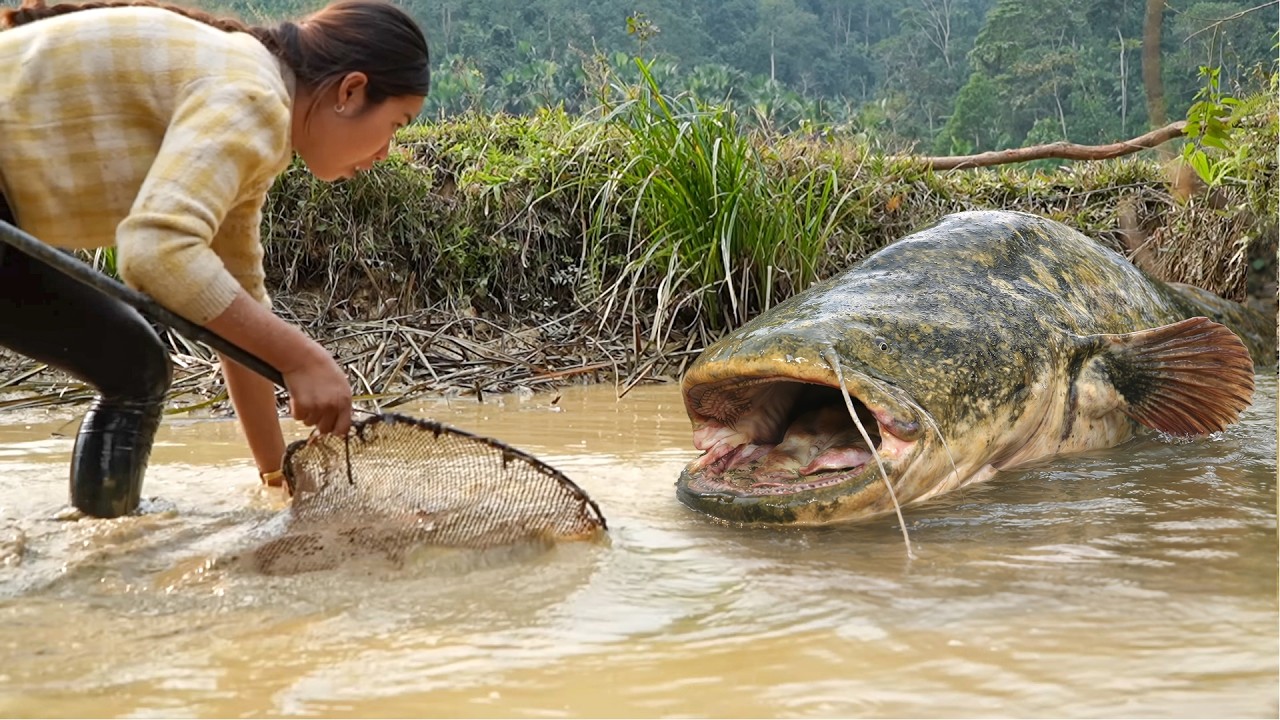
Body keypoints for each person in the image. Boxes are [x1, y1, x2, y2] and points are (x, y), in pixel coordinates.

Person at [0, 0, 430, 518]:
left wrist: (280, 483)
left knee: (132, 366)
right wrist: (301, 359)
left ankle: (104, 549)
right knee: (134, 368)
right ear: (351, 92)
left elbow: (236, 307)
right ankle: (104, 553)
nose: (385, 152)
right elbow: (157, 251)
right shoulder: (253, 96)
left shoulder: (251, 97)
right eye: (397, 123)